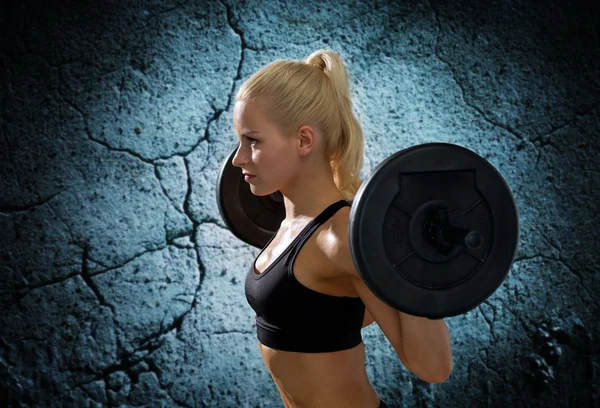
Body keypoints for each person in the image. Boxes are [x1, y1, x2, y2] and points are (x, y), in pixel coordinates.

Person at [232, 49, 453, 408]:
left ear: (304, 140)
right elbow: (332, 314)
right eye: (239, 141)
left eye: (253, 141)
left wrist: (415, 258)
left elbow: (434, 367)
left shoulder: (343, 237)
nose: (238, 158)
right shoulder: (293, 226)